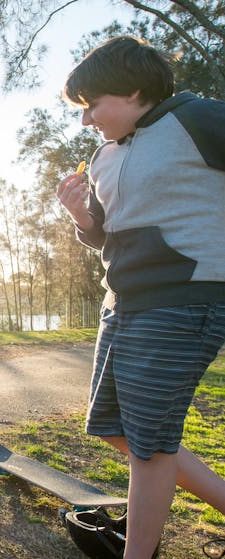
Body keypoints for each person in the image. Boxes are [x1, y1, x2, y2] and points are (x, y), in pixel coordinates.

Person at [56, 35, 225, 559]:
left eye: (92, 105)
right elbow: (109, 234)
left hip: (185, 300)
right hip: (122, 304)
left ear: (132, 90)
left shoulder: (198, 119)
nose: (86, 120)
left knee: (149, 447)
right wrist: (83, 218)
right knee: (114, 428)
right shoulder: (103, 157)